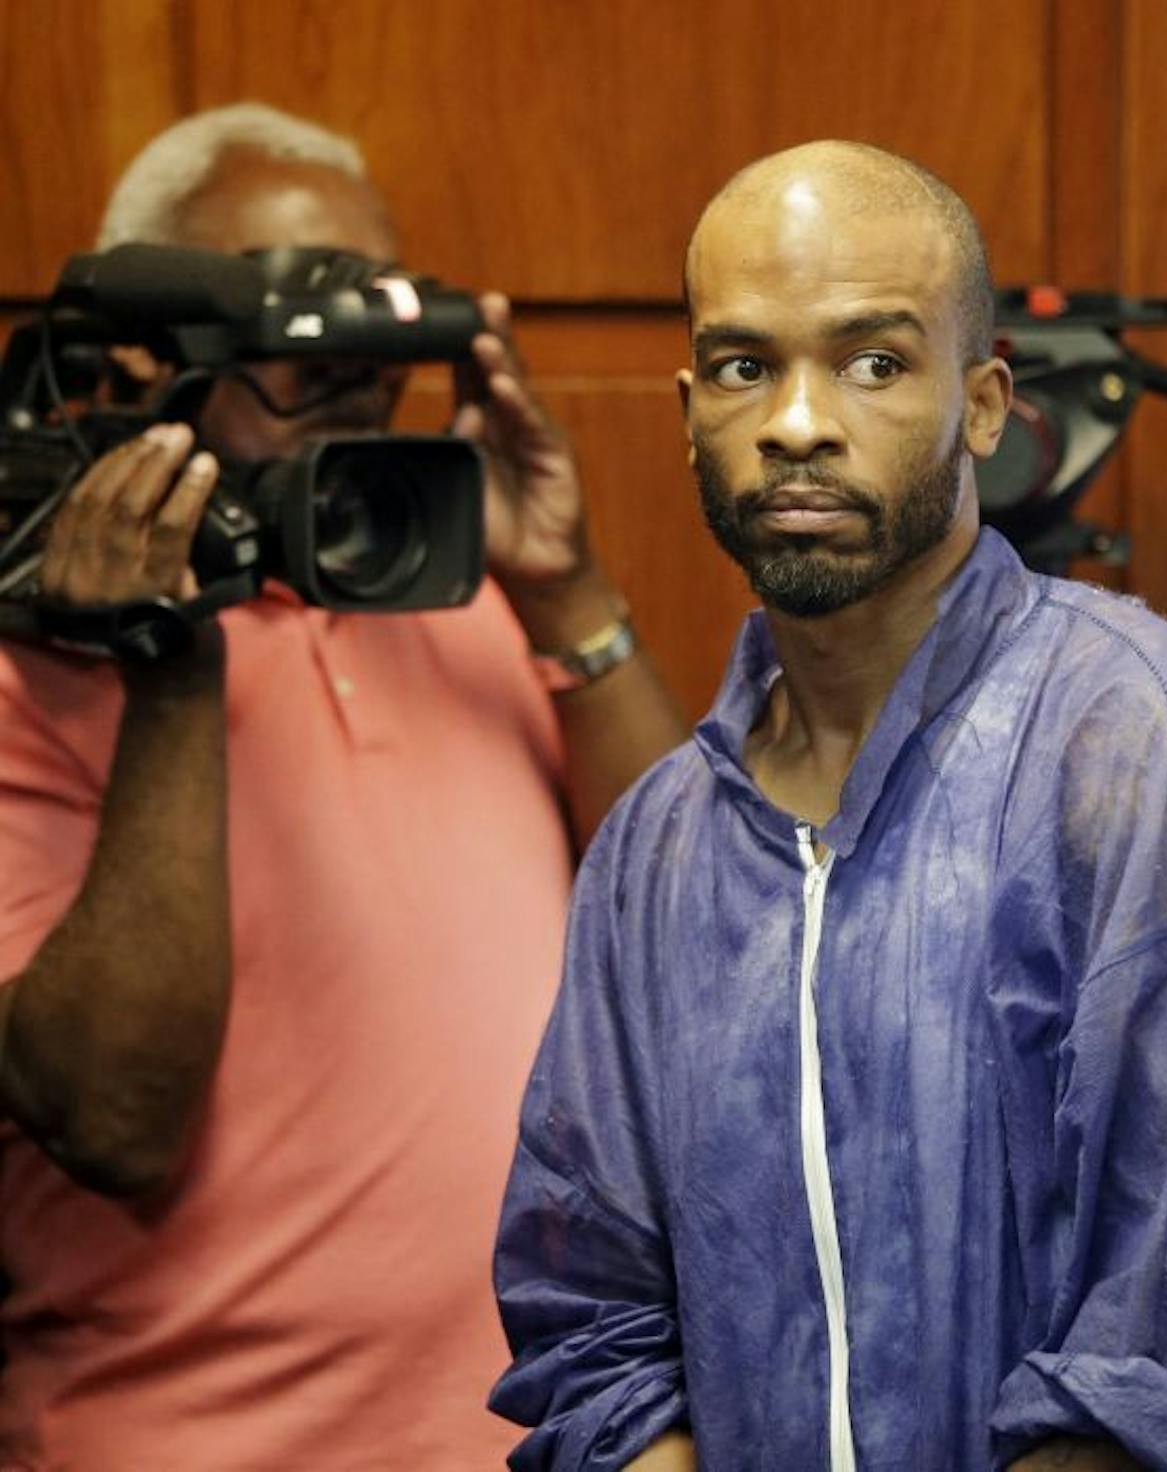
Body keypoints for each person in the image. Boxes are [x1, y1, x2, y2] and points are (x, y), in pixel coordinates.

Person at [489, 140, 1167, 1472]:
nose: (797, 423)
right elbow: (597, 1331)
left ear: (984, 406)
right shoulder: (658, 847)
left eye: (873, 363)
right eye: (745, 367)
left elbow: (1165, 1361)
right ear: (688, 411)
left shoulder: (1157, 744)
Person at [0, 104, 685, 1467]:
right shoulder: (39, 661)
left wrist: (563, 590)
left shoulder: (449, 586)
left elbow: (698, 936)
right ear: (147, 348)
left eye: (372, 319)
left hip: (541, 1434)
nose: (354, 370)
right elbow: (112, 1120)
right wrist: (170, 662)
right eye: (299, 323)